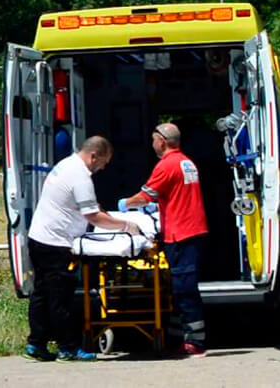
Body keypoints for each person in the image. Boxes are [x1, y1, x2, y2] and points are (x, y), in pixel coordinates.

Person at [25, 135, 139, 363]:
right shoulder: (80, 177)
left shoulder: (66, 164)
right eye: (104, 162)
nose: (104, 167)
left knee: (41, 294)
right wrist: (126, 225)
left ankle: (35, 343)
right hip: (56, 244)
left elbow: (83, 204)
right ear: (94, 155)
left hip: (38, 237)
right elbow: (93, 217)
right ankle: (68, 348)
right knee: (60, 297)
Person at [118, 122, 208, 358]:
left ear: (162, 140)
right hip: (192, 229)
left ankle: (195, 342)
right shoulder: (186, 162)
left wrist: (124, 204)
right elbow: (174, 194)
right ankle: (183, 338)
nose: (151, 144)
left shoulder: (166, 165)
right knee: (180, 287)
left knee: (183, 287)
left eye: (153, 139)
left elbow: (144, 196)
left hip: (181, 233)